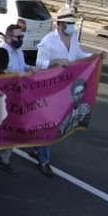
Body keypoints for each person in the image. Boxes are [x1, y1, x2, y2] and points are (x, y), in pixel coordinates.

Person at [32, 10, 94, 176]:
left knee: (54, 122)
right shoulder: (48, 41)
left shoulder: (73, 39)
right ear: (60, 24)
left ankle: (36, 146)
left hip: (67, 88)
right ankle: (44, 161)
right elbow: (39, 63)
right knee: (52, 123)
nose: (72, 27)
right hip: (49, 89)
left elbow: (79, 54)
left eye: (73, 23)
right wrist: (55, 61)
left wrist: (94, 56)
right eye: (69, 24)